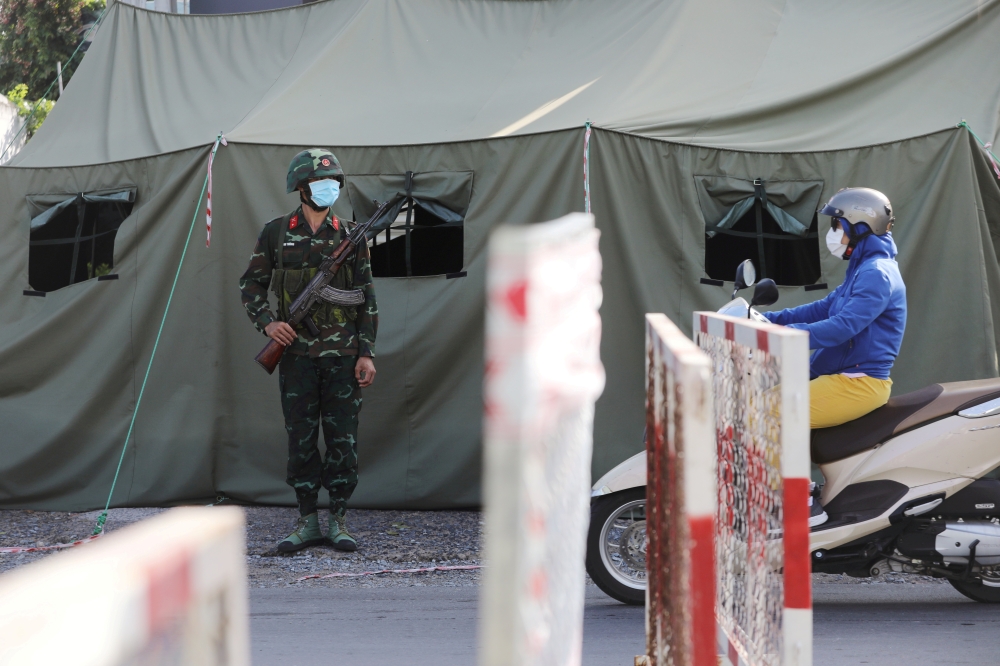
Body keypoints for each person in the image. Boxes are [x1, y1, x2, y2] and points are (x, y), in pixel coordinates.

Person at [239, 149, 377, 553]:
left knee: (342, 440)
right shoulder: (276, 233)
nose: (328, 189)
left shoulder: (351, 236)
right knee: (300, 439)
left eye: (334, 182)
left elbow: (366, 297)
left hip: (344, 358)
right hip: (297, 357)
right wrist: (268, 322)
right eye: (320, 183)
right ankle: (306, 521)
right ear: (300, 188)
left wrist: (366, 352)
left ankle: (337, 519)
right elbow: (250, 285)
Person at [764, 188, 906, 525]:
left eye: (836, 224)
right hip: (840, 377)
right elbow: (824, 308)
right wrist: (767, 319)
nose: (832, 233)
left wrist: (782, 335)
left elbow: (843, 327)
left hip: (858, 383)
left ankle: (800, 504)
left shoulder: (877, 274)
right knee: (768, 399)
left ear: (859, 226)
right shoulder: (863, 268)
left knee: (768, 410)